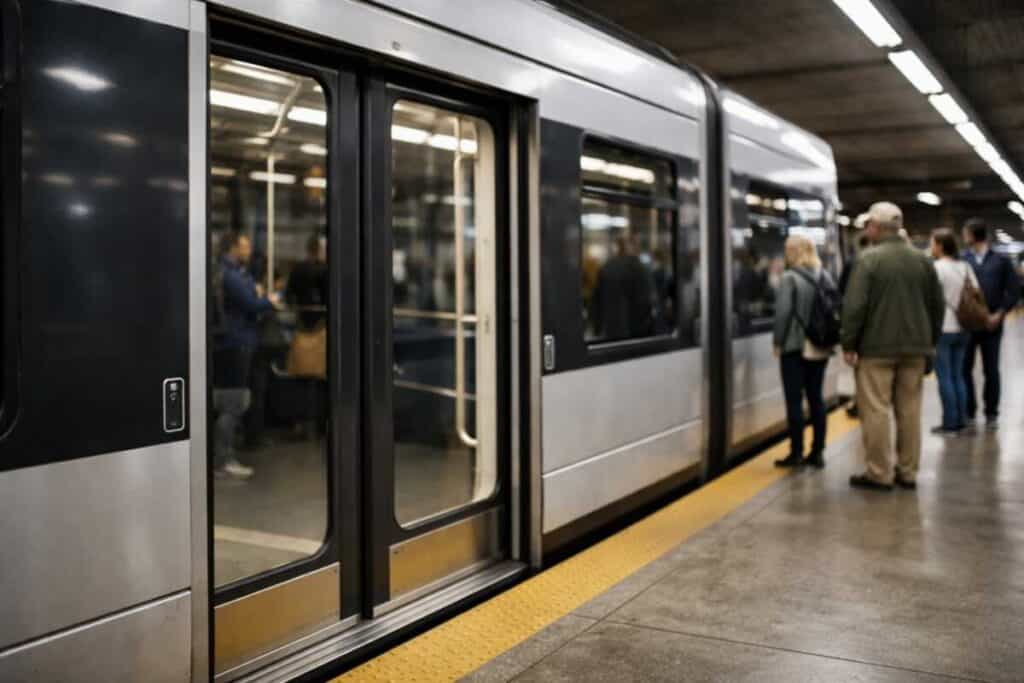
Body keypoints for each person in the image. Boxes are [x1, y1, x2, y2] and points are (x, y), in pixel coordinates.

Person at [841, 202, 944, 491]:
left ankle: (879, 472)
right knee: (910, 410)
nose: (866, 230)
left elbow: (855, 307)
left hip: (876, 349)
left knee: (875, 410)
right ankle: (907, 472)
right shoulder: (922, 260)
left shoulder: (869, 260)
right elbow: (936, 306)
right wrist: (930, 341)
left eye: (867, 225)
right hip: (916, 348)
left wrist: (849, 342)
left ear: (875, 227)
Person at [212, 231, 279, 479]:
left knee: (232, 400)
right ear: (232, 248)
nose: (249, 249)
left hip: (231, 341)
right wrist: (269, 299)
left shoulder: (230, 272)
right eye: (244, 245)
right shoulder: (230, 275)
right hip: (235, 342)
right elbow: (251, 303)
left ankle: (223, 455)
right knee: (233, 402)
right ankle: (222, 459)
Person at [772, 235, 834, 469]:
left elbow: (783, 314)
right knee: (816, 399)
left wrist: (778, 342)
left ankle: (796, 452)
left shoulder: (789, 278)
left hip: (795, 347)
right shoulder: (824, 274)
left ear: (793, 251)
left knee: (794, 401)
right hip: (820, 346)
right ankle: (817, 452)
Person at [961, 218, 1020, 430]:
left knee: (991, 369)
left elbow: (1013, 291)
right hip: (968, 325)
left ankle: (991, 413)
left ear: (974, 235)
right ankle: (969, 412)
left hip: (993, 324)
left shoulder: (1000, 261)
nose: (963, 237)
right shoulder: (963, 259)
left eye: (965, 232)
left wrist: (1001, 313)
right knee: (964, 369)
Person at [931, 229, 979, 435]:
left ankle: (950, 423)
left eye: (933, 243)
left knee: (945, 377)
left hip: (944, 328)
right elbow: (976, 292)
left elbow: (931, 298)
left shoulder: (937, 268)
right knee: (959, 374)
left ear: (941, 245)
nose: (931, 248)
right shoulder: (965, 266)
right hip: (965, 327)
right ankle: (962, 418)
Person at [591, 232, 655, 340]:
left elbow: (597, 300)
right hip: (635, 329)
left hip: (610, 328)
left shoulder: (606, 267)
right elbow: (646, 300)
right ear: (632, 246)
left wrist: (597, 327)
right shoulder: (639, 268)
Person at [286, 232, 328, 330]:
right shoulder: (324, 270)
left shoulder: (298, 268)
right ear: (318, 250)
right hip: (320, 319)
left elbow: (289, 294)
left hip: (302, 317)